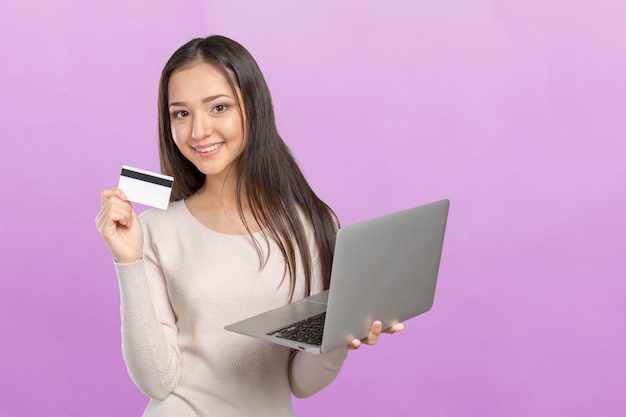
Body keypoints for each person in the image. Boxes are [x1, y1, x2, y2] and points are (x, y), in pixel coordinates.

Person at [95, 35, 403, 417]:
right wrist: (129, 261)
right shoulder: (155, 229)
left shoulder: (313, 226)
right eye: (181, 113)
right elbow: (157, 381)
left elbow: (301, 383)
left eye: (218, 107)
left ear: (253, 108)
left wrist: (342, 332)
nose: (198, 131)